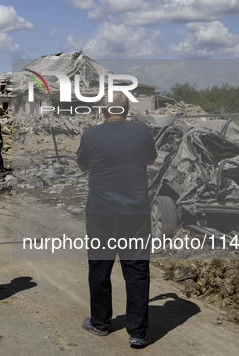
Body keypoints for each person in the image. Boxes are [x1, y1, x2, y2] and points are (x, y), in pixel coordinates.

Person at [76, 92, 157, 348]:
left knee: (100, 266)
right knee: (136, 270)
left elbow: (82, 166)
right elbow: (151, 159)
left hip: (100, 211)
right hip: (135, 211)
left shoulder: (90, 134)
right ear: (128, 108)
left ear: (102, 109)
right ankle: (138, 332)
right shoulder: (142, 131)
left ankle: (100, 323)